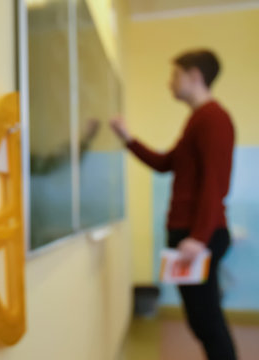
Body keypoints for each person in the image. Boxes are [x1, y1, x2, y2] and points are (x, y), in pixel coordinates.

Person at [111, 49, 237, 360]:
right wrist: (128, 139)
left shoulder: (213, 119)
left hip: (198, 237)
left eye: (175, 75)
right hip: (192, 236)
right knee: (202, 320)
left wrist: (199, 237)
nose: (170, 83)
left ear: (195, 77)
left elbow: (214, 183)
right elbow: (166, 163)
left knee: (207, 322)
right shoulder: (197, 120)